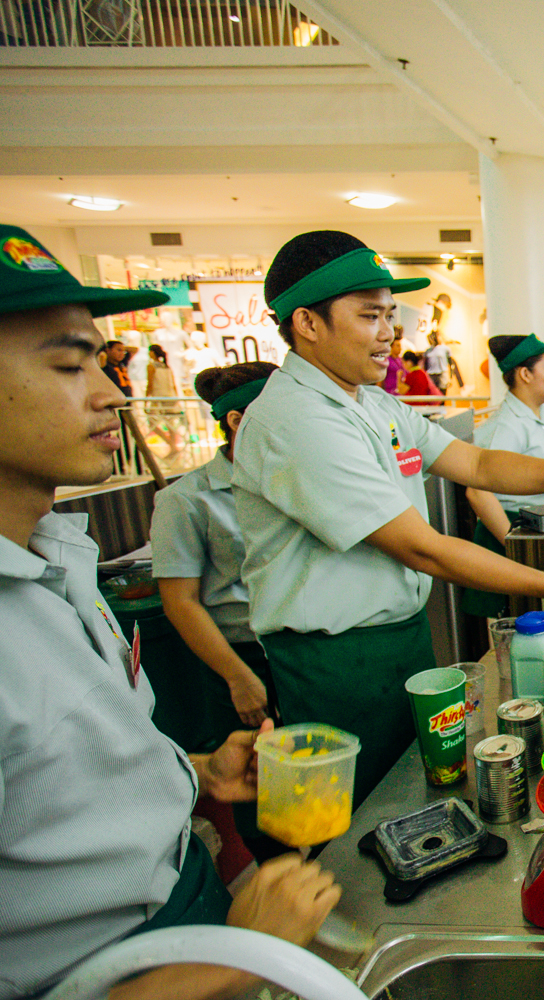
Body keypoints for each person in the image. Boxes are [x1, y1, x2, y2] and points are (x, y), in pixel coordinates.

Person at [0, 224, 336, 1000]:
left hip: (190, 915)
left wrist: (195, 771)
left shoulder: (57, 559)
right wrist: (238, 956)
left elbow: (62, 795)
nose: (113, 393)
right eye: (66, 362)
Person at [231, 231, 544, 809]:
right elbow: (423, 548)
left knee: (412, 792)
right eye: (369, 316)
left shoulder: (371, 401)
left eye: (390, 315)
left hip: (399, 638)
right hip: (335, 661)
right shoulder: (296, 420)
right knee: (356, 815)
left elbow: (476, 462)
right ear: (307, 323)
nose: (389, 334)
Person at [153, 361, 284, 859]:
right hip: (240, 655)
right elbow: (180, 602)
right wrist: (237, 677)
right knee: (258, 780)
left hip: (292, 648)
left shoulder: (290, 478)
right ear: (236, 421)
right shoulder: (186, 500)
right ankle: (273, 874)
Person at [460, 334, 544, 618]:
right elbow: (477, 492)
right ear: (525, 374)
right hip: (512, 532)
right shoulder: (505, 426)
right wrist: (515, 548)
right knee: (520, 631)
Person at [144, 343, 185, 455]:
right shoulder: (166, 367)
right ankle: (173, 446)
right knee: (169, 423)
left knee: (152, 422)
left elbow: (150, 384)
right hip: (170, 397)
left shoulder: (152, 366)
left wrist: (145, 400)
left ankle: (171, 445)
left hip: (158, 398)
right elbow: (173, 384)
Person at [424, 328, 460, 392]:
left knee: (442, 395)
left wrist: (450, 377)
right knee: (432, 395)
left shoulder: (445, 349)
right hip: (431, 375)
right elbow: (425, 365)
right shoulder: (428, 351)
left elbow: (451, 363)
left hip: (442, 375)